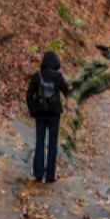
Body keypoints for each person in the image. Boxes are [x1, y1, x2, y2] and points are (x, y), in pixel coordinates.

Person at [26, 50, 73, 183]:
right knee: (52, 144)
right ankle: (50, 176)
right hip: (54, 114)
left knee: (39, 142)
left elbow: (29, 96)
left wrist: (33, 110)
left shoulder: (37, 76)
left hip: (40, 114)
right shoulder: (58, 77)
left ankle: (38, 173)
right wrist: (67, 102)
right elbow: (66, 91)